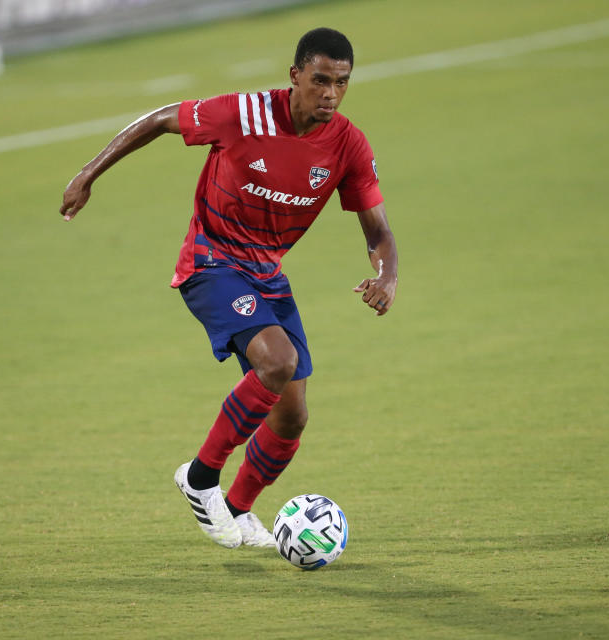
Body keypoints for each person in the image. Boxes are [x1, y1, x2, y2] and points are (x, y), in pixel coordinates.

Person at [59, 28, 398, 549]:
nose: (330, 93)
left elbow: (376, 228)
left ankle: (237, 512)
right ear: (295, 76)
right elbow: (159, 120)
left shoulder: (347, 143)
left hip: (267, 273)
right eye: (320, 80)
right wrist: (88, 172)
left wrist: (386, 275)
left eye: (342, 83)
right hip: (210, 262)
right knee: (277, 361)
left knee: (292, 417)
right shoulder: (243, 114)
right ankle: (199, 477)